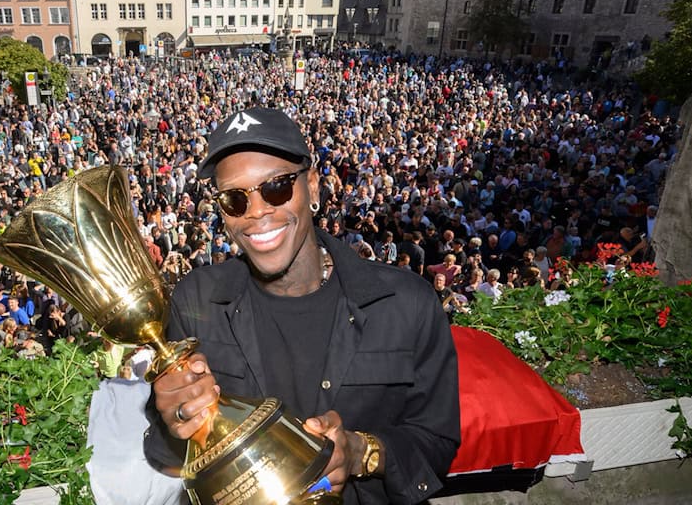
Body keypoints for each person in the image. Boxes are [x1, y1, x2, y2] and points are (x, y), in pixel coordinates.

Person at [144, 108, 460, 503]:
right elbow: (165, 455)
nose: (257, 211)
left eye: (276, 187)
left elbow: (436, 441)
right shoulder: (195, 299)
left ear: (312, 185)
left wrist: (362, 451)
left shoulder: (406, 303)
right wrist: (174, 419)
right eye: (234, 199)